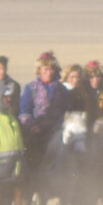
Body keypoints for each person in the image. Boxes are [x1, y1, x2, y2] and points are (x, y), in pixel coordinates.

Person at [18, 51, 69, 181]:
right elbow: (24, 110)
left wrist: (60, 125)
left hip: (57, 130)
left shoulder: (61, 89)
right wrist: (32, 125)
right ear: (39, 70)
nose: (49, 72)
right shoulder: (31, 88)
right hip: (36, 130)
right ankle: (31, 180)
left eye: (51, 69)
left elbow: (66, 110)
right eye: (45, 69)